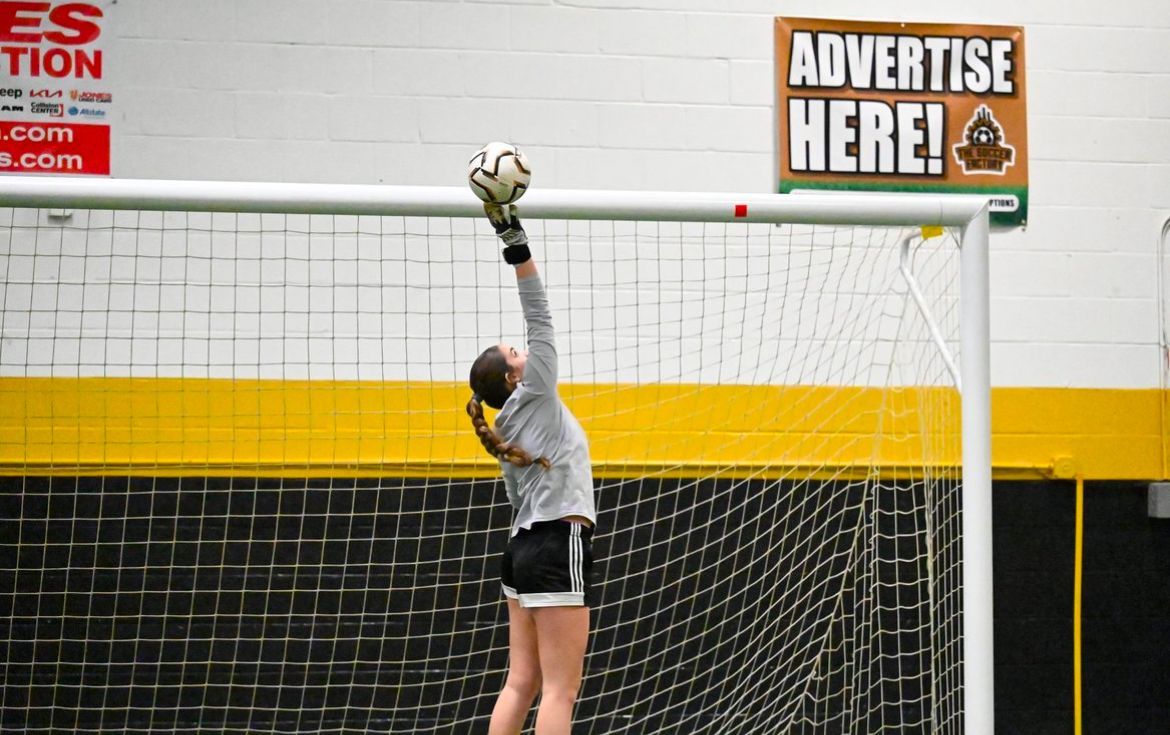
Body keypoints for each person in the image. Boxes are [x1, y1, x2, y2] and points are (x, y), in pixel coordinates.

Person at [466, 203, 597, 735]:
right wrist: (513, 241)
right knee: (561, 690)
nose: (525, 349)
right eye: (516, 351)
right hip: (554, 543)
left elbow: (520, 499)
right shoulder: (537, 391)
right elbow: (538, 312)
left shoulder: (505, 429)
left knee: (521, 680)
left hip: (519, 552)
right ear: (516, 377)